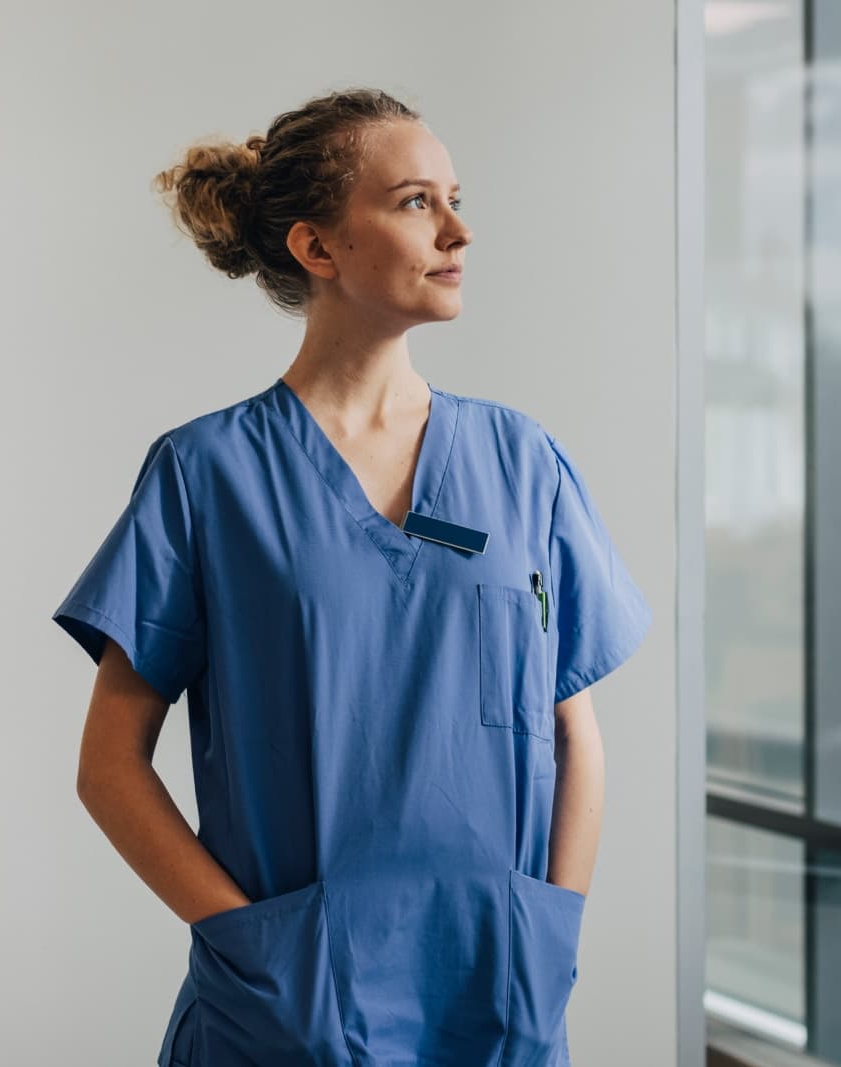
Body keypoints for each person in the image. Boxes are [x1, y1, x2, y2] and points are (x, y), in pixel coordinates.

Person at [50, 87, 652, 1067]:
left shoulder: (521, 460)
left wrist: (551, 936)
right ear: (317, 248)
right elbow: (109, 763)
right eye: (416, 201)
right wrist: (256, 953)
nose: (457, 229)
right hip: (287, 1009)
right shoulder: (207, 474)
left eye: (455, 198)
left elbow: (572, 729)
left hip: (496, 995)